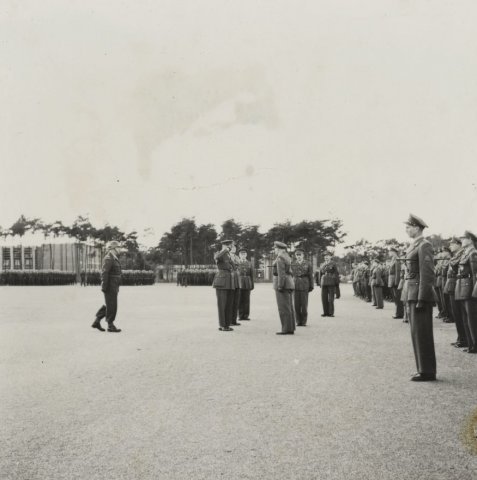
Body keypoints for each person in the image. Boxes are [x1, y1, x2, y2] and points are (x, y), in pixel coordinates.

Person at [402, 214, 436, 381]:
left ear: (417, 228)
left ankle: (427, 371)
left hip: (419, 295)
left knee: (422, 333)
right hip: (412, 293)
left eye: (408, 227)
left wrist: (422, 298)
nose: (406, 230)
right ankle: (422, 368)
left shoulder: (424, 245)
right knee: (416, 332)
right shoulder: (414, 245)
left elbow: (427, 274)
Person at [92, 240, 123, 333]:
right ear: (113, 248)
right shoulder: (109, 258)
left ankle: (97, 321)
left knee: (109, 304)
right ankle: (110, 325)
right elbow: (104, 273)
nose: (120, 249)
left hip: (114, 285)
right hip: (110, 285)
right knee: (112, 305)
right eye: (118, 247)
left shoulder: (114, 257)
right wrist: (104, 286)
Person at [455, 231, 477, 353]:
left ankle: (475, 344)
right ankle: (470, 344)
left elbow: (474, 274)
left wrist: (475, 291)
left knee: (472, 318)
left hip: (469, 288)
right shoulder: (466, 253)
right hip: (462, 287)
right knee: (465, 317)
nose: (462, 241)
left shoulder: (473, 253)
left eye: (463, 238)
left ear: (470, 240)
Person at [444, 237, 467, 348]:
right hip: (452, 286)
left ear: (459, 244)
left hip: (457, 286)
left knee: (459, 314)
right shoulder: (456, 255)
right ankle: (460, 338)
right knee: (456, 314)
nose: (450, 246)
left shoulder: (461, 254)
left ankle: (463, 339)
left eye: (452, 244)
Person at [212, 240, 237, 331]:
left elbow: (234, 267)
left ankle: (227, 324)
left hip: (230, 281)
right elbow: (217, 257)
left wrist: (232, 258)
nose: (230, 247)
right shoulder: (219, 253)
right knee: (222, 304)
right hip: (221, 281)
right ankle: (222, 325)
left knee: (229, 304)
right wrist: (225, 250)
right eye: (229, 246)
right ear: (224, 246)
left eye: (231, 246)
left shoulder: (228, 255)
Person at [272, 241, 295, 335]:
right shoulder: (287, 256)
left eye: (275, 248)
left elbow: (281, 273)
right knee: (289, 307)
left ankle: (285, 329)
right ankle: (290, 327)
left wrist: (280, 285)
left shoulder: (280, 257)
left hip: (283, 284)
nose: (274, 250)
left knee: (283, 308)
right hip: (289, 283)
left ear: (279, 249)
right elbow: (290, 272)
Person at [291, 248, 314, 326]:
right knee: (296, 305)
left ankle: (304, 321)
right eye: (297, 255)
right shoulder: (292, 264)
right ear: (295, 256)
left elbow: (310, 275)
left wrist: (311, 285)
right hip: (295, 285)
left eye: (300, 255)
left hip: (304, 284)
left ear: (303, 255)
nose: (298, 256)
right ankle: (298, 321)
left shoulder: (308, 264)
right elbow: (291, 275)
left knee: (304, 304)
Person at [318, 251, 339, 317]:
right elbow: (320, 274)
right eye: (325, 256)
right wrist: (320, 283)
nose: (326, 257)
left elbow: (336, 273)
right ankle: (325, 312)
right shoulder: (322, 264)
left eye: (327, 256)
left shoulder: (333, 264)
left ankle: (331, 313)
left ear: (330, 257)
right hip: (323, 282)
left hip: (331, 282)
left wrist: (336, 283)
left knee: (331, 299)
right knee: (324, 298)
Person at [237, 248, 254, 321]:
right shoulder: (237, 263)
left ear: (246, 255)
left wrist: (252, 284)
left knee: (247, 300)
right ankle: (240, 315)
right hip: (239, 282)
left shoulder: (249, 263)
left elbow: (251, 275)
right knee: (239, 299)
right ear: (239, 255)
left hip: (247, 282)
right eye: (241, 254)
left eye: (244, 254)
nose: (243, 255)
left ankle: (246, 315)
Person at [388, 247, 404, 319]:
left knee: (398, 297)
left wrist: (397, 282)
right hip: (392, 281)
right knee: (395, 298)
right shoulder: (393, 259)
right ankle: (398, 312)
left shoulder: (397, 260)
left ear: (393, 252)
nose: (389, 253)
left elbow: (397, 272)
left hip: (395, 281)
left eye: (390, 251)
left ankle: (399, 313)